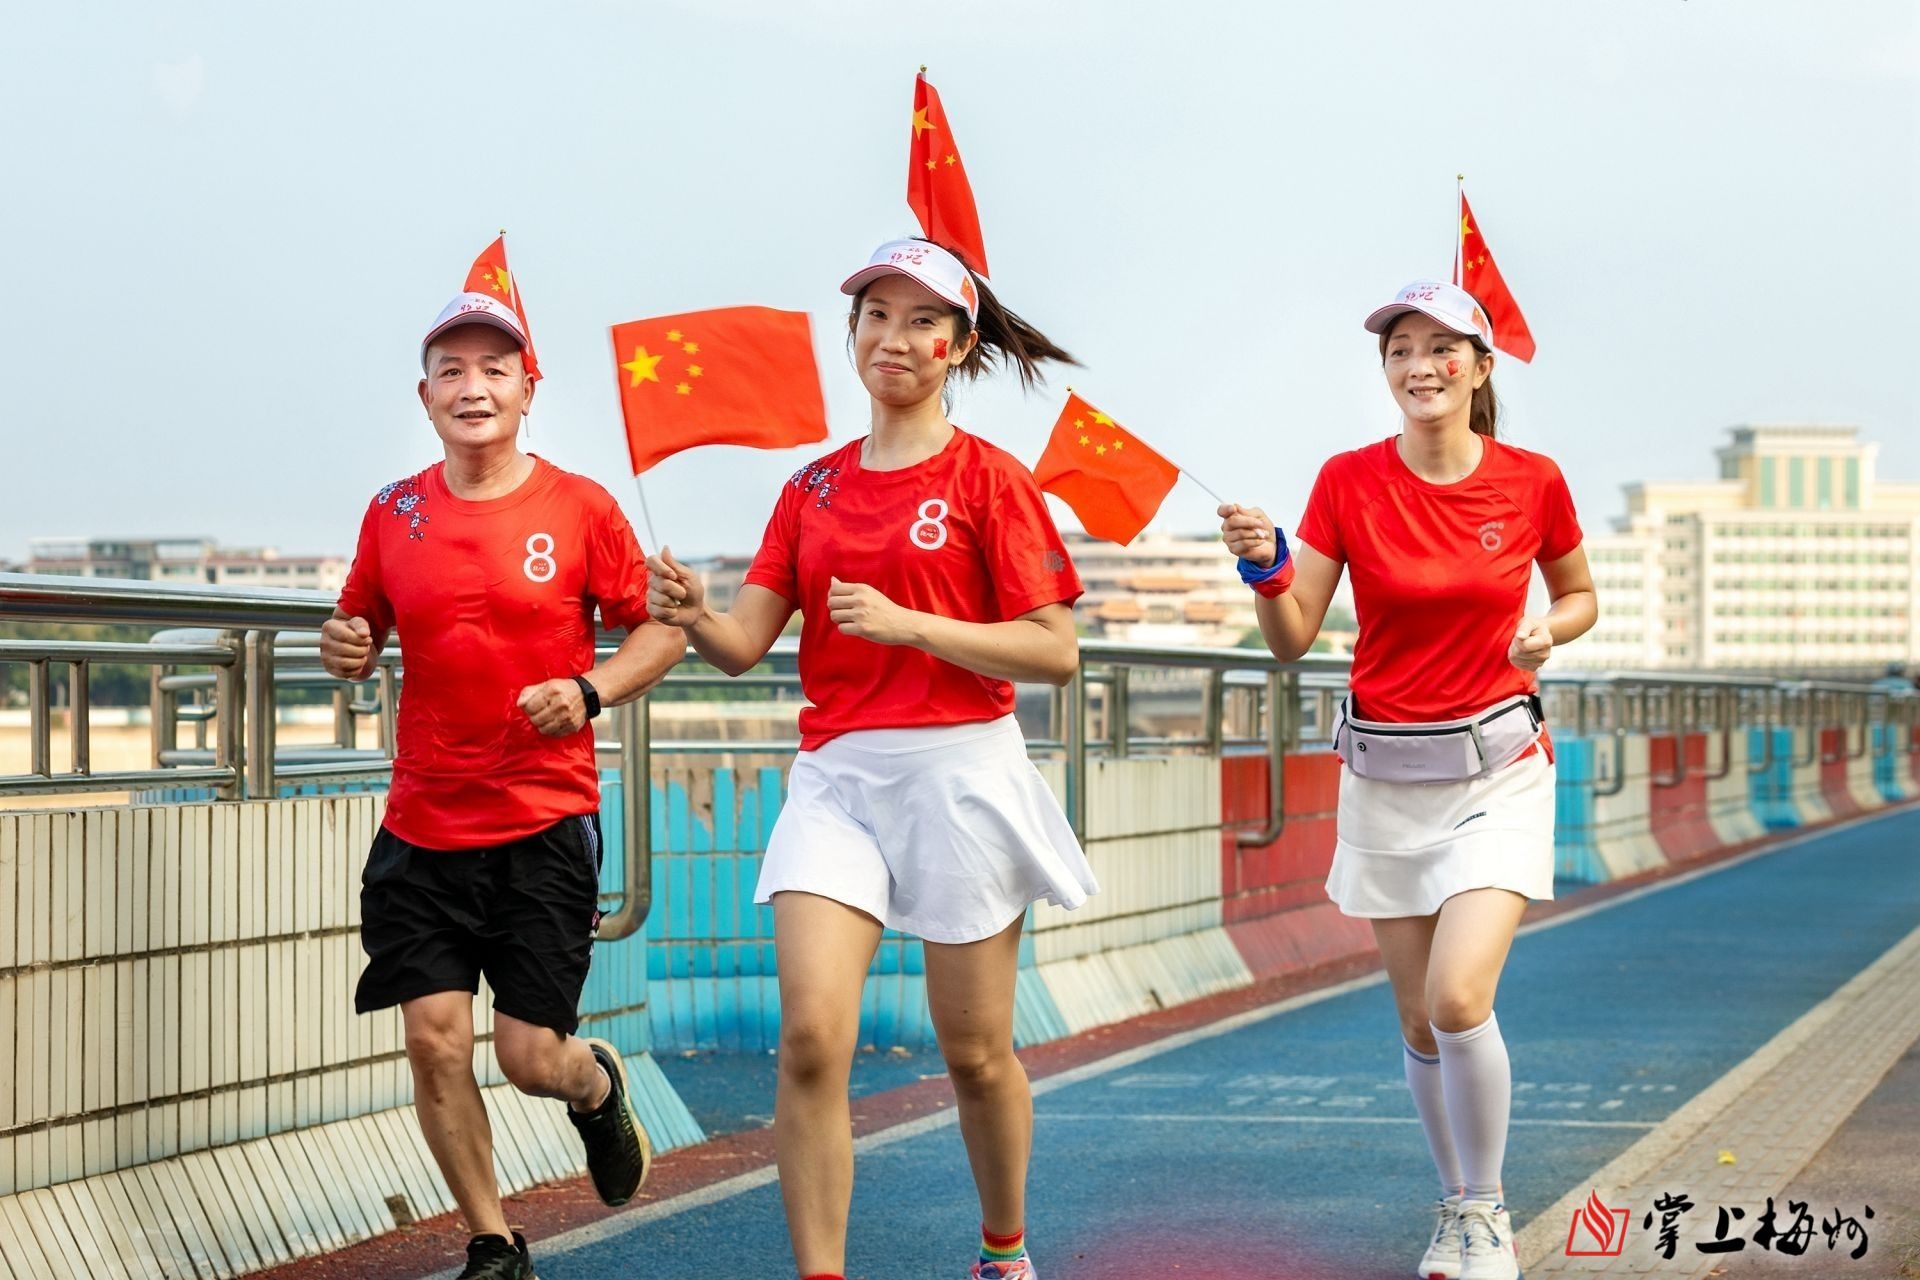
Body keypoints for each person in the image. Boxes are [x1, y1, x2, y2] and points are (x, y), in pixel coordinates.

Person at [645, 237, 1097, 1280]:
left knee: (975, 1053)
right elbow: (743, 644)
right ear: (852, 333)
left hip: (960, 771)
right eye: (875, 316)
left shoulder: (991, 480)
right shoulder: (811, 488)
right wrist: (694, 612)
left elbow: (1056, 650)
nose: (894, 337)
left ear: (959, 345)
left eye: (921, 320)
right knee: (810, 1038)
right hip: (838, 776)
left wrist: (912, 625)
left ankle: (1004, 1249)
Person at [1220, 280, 1596, 1280]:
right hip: (1385, 773)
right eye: (1400, 350)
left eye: (1441, 347)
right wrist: (1264, 569)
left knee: (1459, 995)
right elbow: (1294, 635)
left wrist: (1547, 630)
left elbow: (1580, 593)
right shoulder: (1348, 480)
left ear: (1479, 367)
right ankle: (1454, 1204)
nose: (1419, 366)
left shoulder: (1533, 480)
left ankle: (1486, 1210)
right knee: (1420, 1017)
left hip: (1498, 769)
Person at [320, 289, 687, 1280]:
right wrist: (344, 645)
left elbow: (659, 631)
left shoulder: (581, 506)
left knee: (529, 1057)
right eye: (452, 370)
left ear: (529, 388)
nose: (472, 387)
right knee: (435, 1041)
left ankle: (593, 1085)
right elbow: (356, 628)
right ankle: (493, 1241)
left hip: (543, 824)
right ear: (425, 394)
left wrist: (590, 689)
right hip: (422, 826)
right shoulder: (394, 510)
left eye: (494, 368)